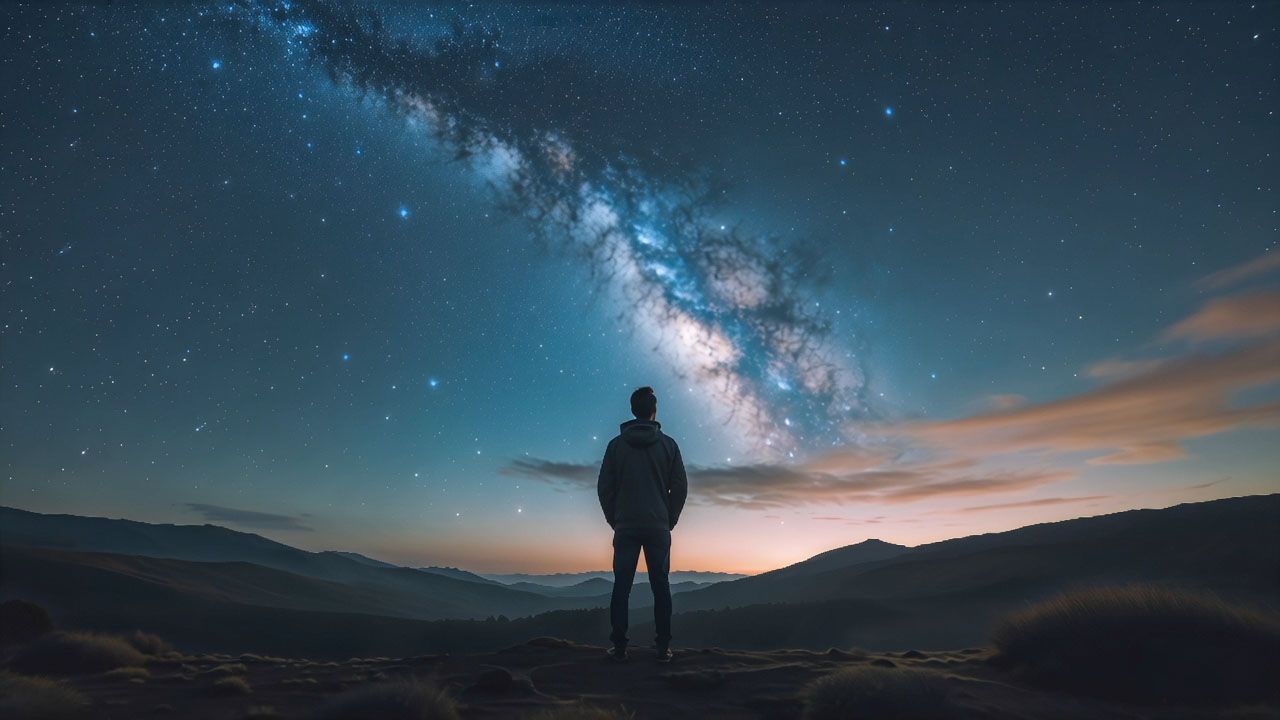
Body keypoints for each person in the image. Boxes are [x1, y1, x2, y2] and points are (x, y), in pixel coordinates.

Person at [597, 386, 688, 663]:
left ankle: (620, 647)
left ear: (633, 410)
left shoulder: (615, 446)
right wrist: (668, 518)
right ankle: (663, 649)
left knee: (621, 585)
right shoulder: (669, 445)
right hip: (658, 525)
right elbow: (680, 487)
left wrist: (615, 519)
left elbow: (604, 487)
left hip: (625, 525)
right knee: (660, 585)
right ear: (654, 410)